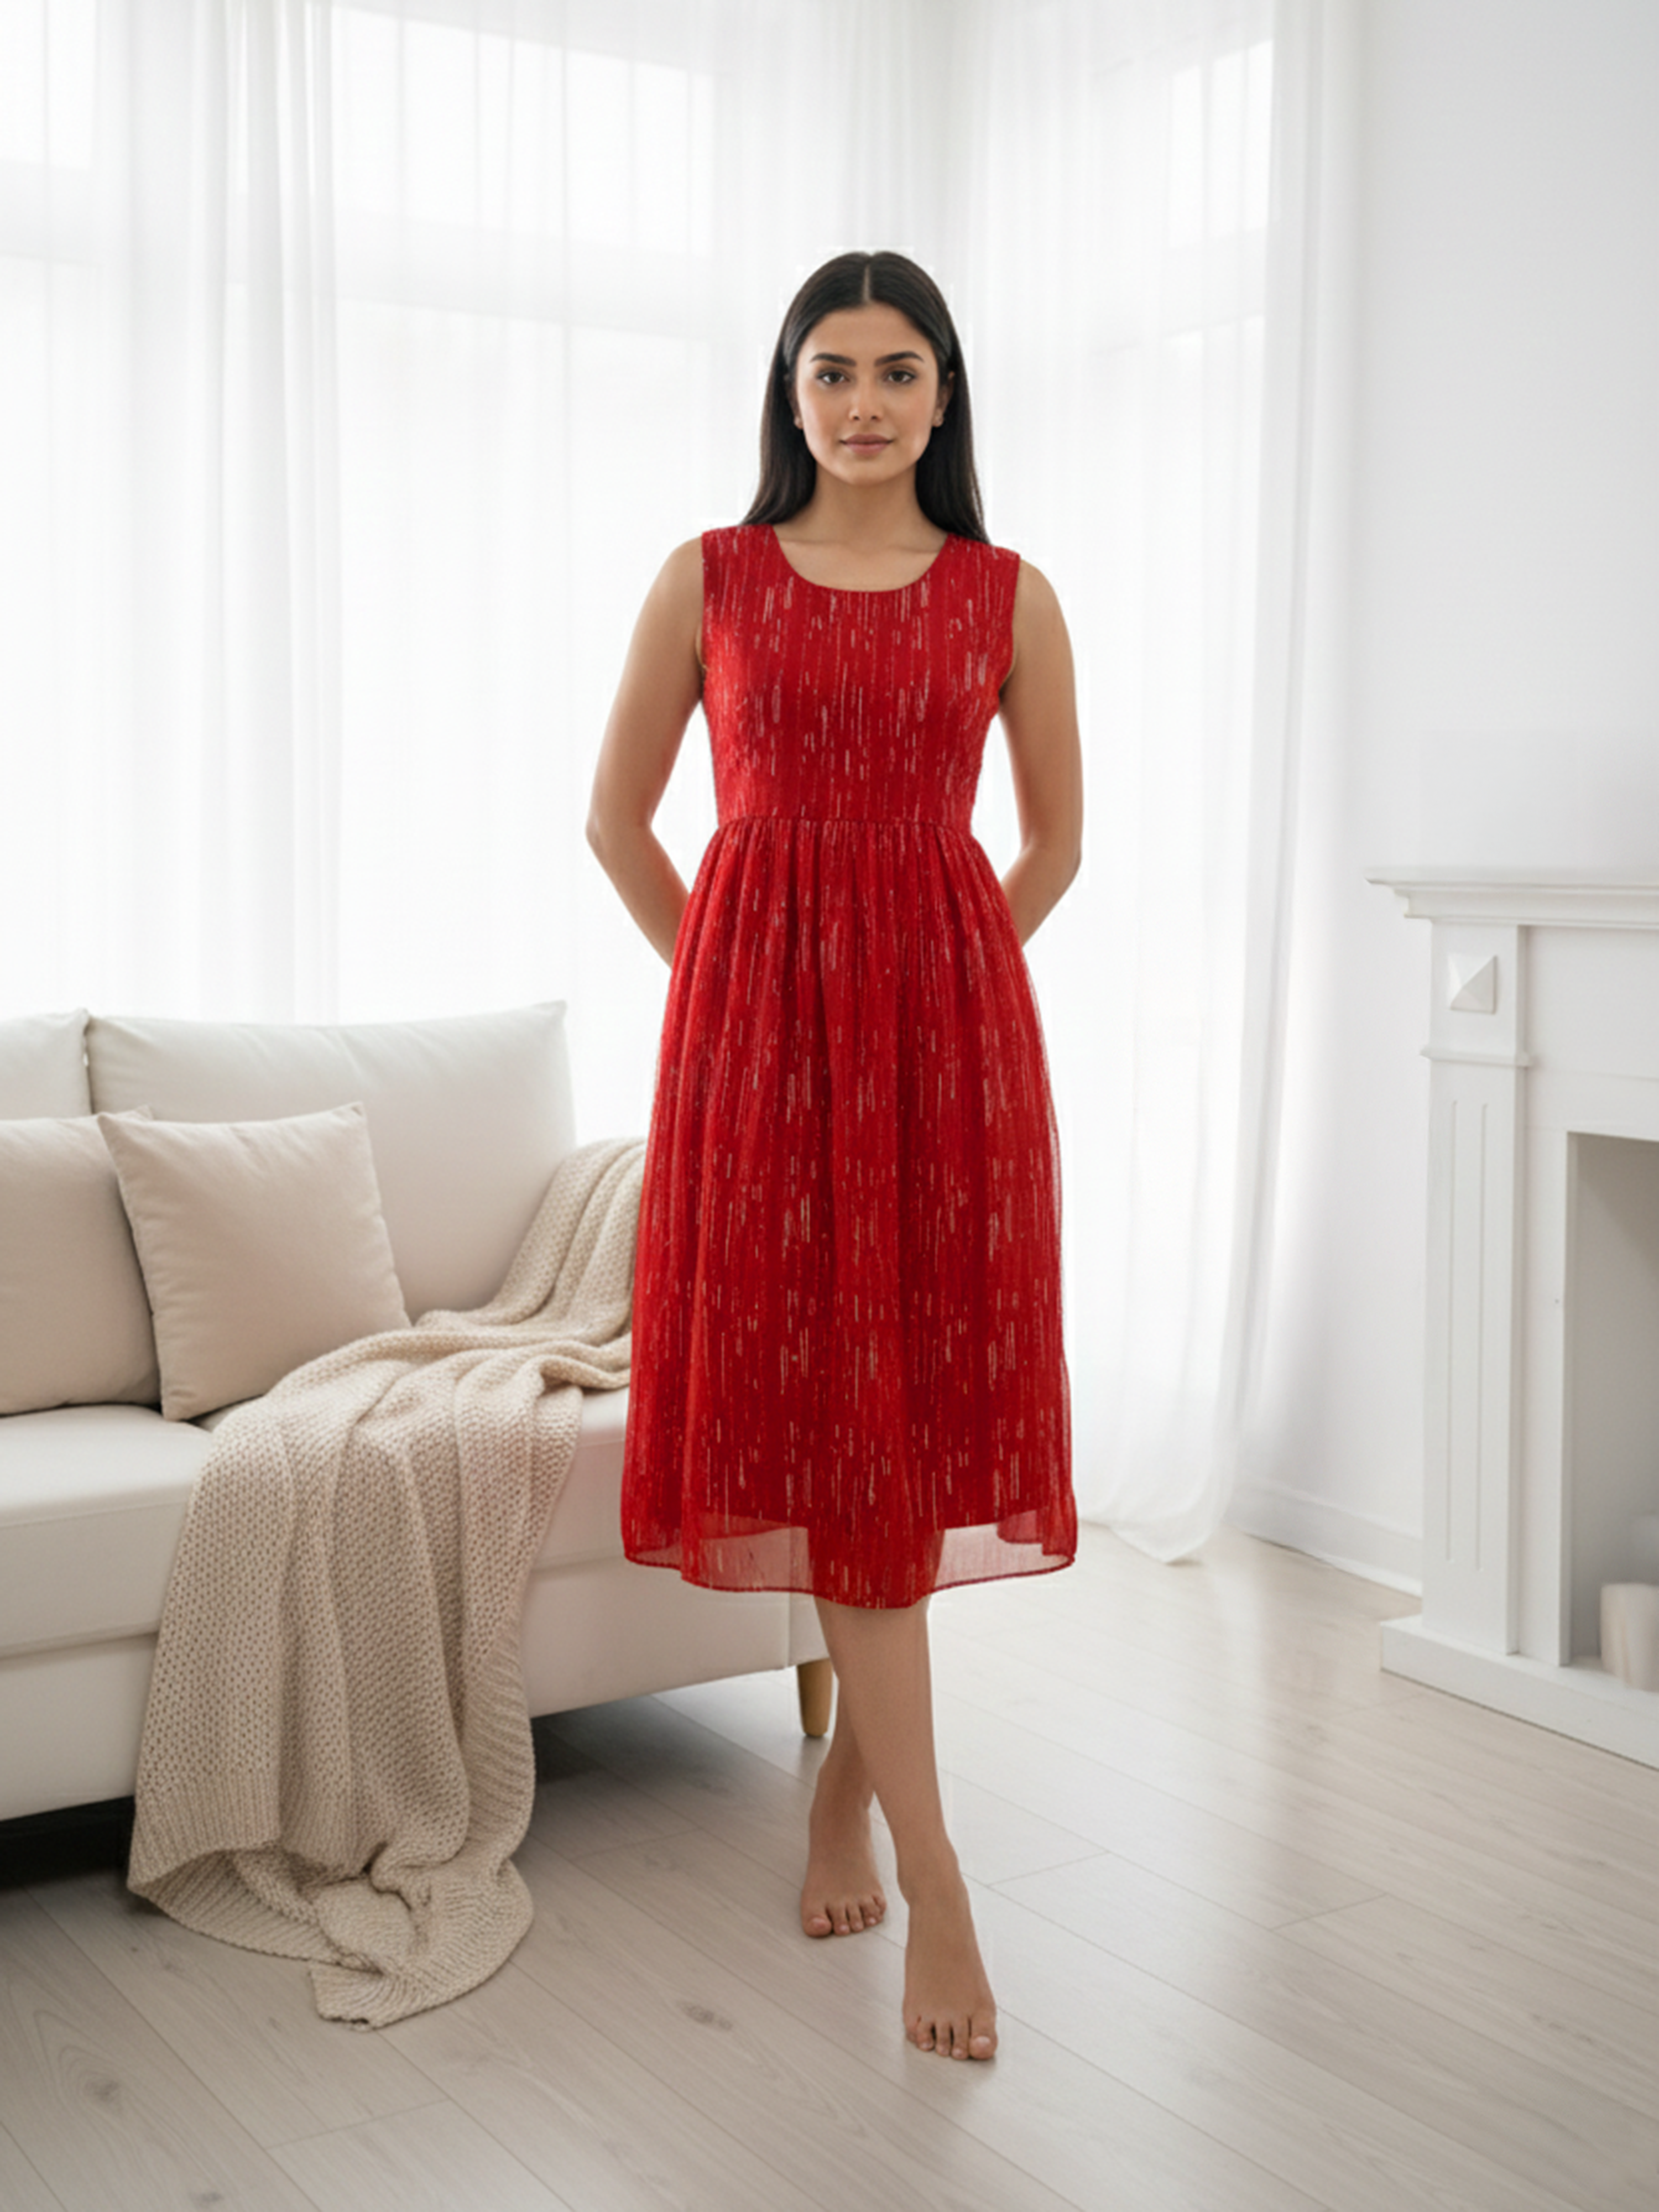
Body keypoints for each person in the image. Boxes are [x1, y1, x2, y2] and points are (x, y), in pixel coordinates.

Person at [587, 249, 1083, 2063]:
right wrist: (732, 992)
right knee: (827, 1423)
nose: (864, 402)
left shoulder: (1006, 597)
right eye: (831, 373)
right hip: (757, 1073)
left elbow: (1052, 847)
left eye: (897, 370)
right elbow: (618, 821)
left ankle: (854, 1813)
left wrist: (935, 990)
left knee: (914, 1434)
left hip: (954, 1075)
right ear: (788, 396)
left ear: (944, 396)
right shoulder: (704, 579)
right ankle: (935, 1875)